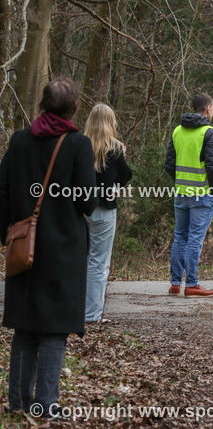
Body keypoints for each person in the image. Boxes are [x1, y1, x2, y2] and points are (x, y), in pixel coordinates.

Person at [1, 77, 97, 416]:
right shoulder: (78, 145)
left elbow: (3, 192)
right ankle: (45, 404)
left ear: (42, 104)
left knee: (25, 328)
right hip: (64, 249)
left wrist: (9, 237)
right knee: (55, 329)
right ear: (73, 107)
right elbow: (87, 202)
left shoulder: (19, 141)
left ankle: (17, 405)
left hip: (24, 247)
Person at [165, 93, 213, 297]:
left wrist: (180, 181)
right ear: (208, 109)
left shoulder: (178, 131)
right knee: (195, 239)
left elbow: (169, 165)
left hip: (181, 192)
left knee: (180, 236)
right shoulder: (209, 132)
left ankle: (174, 283)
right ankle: (191, 284)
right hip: (203, 194)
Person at [83, 103, 133, 323]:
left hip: (80, 209)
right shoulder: (113, 147)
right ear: (110, 121)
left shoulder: (80, 144)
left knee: (82, 260)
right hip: (103, 209)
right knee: (99, 263)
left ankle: (78, 310)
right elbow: (126, 175)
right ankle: (92, 314)